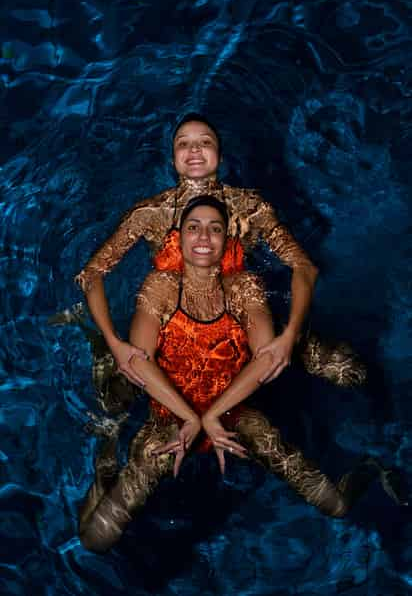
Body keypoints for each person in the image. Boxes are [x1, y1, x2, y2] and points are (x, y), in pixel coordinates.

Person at [78, 196, 399, 554]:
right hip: (168, 418)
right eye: (193, 228)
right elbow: (138, 361)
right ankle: (104, 462)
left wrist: (212, 415)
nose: (204, 236)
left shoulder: (244, 286)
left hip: (234, 414)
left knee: (337, 506)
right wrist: (191, 418)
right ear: (178, 238)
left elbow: (265, 359)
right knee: (95, 537)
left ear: (228, 239)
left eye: (215, 229)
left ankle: (371, 467)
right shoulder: (161, 286)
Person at [74, 113, 366, 391]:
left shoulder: (251, 208)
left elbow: (304, 267)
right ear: (173, 159)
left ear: (220, 156)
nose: (195, 150)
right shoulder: (148, 214)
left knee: (349, 372)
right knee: (116, 389)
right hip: (169, 323)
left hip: (238, 312)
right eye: (183, 143)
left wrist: (290, 335)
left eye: (205, 142)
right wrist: (114, 342)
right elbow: (91, 273)